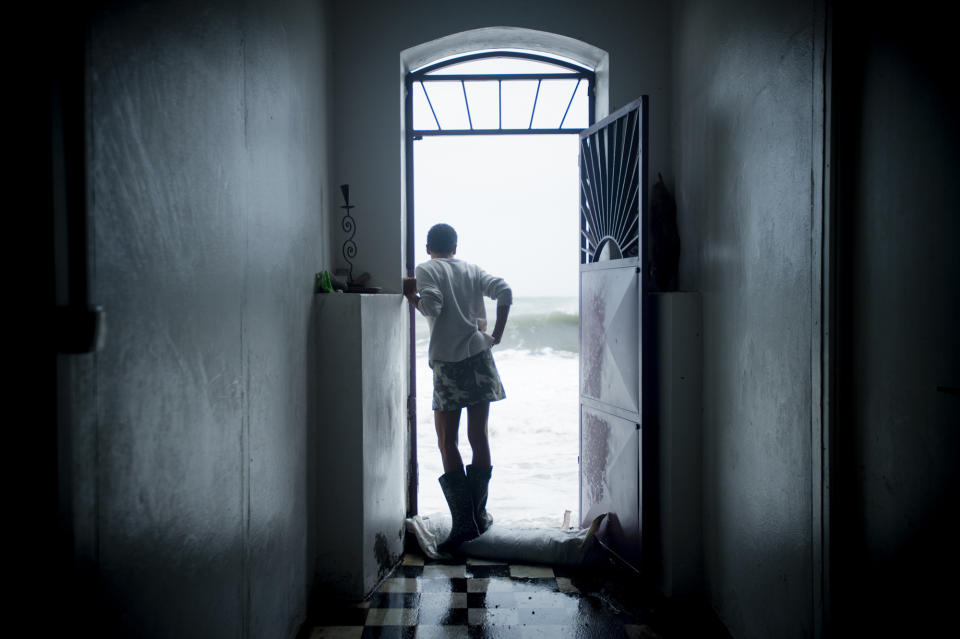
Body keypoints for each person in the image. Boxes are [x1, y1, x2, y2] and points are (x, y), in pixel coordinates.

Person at [403, 223, 511, 554]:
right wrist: (497, 333)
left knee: (447, 442)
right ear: (455, 245)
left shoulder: (426, 269)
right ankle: (478, 516)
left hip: (449, 367)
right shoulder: (471, 268)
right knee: (478, 438)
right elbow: (505, 291)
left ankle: (464, 523)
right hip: (480, 359)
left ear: (427, 247)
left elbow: (432, 307)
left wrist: (411, 295)